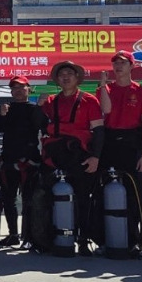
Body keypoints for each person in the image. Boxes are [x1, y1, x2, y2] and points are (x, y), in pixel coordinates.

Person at [39, 60, 104, 256]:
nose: (65, 77)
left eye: (69, 74)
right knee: (48, 196)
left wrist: (95, 157)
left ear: (77, 78)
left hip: (80, 155)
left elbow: (99, 131)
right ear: (57, 80)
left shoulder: (89, 100)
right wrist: (39, 106)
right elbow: (38, 124)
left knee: (83, 198)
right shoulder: (50, 101)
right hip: (54, 155)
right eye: (61, 75)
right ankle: (52, 238)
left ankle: (84, 240)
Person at [96, 50, 142, 252]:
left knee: (133, 194)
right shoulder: (105, 89)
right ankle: (105, 240)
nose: (118, 66)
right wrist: (103, 86)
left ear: (132, 66)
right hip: (110, 141)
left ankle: (134, 240)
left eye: (123, 63)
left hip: (132, 143)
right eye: (115, 63)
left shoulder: (141, 92)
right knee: (105, 190)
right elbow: (106, 110)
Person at [0, 76, 43, 248]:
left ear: (29, 89)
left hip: (29, 161)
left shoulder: (35, 108)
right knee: (8, 200)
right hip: (8, 160)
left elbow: (40, 126)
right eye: (14, 88)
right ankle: (13, 234)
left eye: (21, 87)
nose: (18, 91)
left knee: (29, 201)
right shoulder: (7, 109)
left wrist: (41, 108)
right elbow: (0, 128)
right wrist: (2, 115)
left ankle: (29, 236)